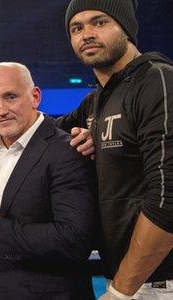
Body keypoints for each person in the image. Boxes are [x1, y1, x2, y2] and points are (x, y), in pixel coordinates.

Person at [60, 1, 173, 298]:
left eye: (99, 22)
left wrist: (121, 291)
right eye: (77, 27)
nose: (86, 34)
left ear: (126, 28)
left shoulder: (158, 80)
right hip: (126, 280)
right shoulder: (96, 101)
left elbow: (168, 197)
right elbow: (42, 130)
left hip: (158, 284)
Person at [0, 62, 96, 299]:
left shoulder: (68, 151)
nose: (1, 110)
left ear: (35, 96)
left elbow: (75, 241)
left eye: (10, 97)